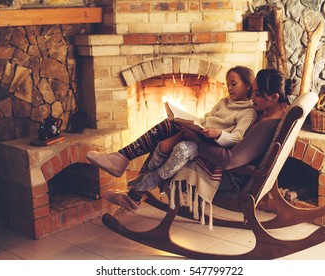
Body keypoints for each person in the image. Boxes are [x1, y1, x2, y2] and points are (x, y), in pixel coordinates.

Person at [100, 68, 295, 211]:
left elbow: (230, 160)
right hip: (219, 158)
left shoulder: (263, 125)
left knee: (170, 136)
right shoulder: (270, 114)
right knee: (170, 132)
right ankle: (131, 186)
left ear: (274, 97)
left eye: (258, 94)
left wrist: (199, 139)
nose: (253, 98)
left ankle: (129, 179)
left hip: (230, 179)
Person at [86, 66, 255, 184]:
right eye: (228, 85)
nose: (229, 88)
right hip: (201, 133)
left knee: (166, 128)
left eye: (234, 84)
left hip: (209, 143)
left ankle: (122, 160)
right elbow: (207, 118)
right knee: (167, 128)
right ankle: (126, 171)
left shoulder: (248, 112)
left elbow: (238, 137)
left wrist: (218, 133)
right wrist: (195, 124)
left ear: (247, 86)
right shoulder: (223, 102)